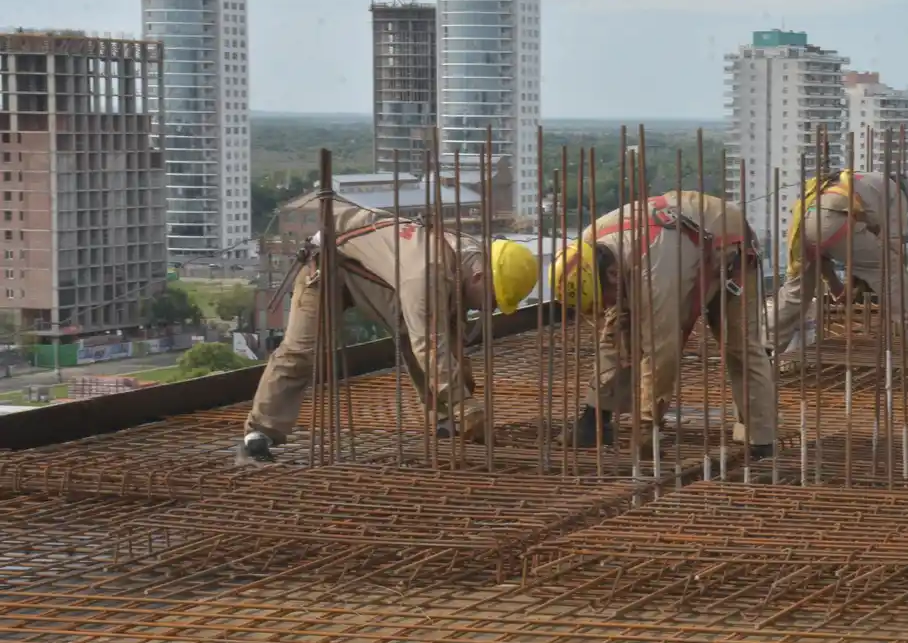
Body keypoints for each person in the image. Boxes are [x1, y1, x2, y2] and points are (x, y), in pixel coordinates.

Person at [241, 206, 539, 461]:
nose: (488, 309)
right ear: (479, 276)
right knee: (302, 352)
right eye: (492, 300)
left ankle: (447, 421)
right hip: (329, 266)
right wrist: (465, 404)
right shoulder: (427, 274)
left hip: (374, 275)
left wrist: (464, 403)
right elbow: (430, 345)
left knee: (433, 334)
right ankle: (259, 434)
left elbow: (446, 339)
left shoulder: (467, 258)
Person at [551, 190, 776, 458]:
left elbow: (662, 353)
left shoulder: (654, 276)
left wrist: (647, 426)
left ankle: (761, 439)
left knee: (739, 343)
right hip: (677, 239)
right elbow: (611, 326)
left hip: (728, 245)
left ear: (612, 275)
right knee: (617, 330)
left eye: (604, 299)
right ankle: (593, 421)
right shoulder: (582, 254)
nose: (604, 307)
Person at [771, 169, 908, 358]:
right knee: (888, 269)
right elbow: (891, 245)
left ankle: (765, 347)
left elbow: (840, 252)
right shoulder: (896, 193)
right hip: (836, 218)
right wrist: (866, 277)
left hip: (803, 222)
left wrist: (836, 286)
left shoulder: (862, 182)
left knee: (796, 292)